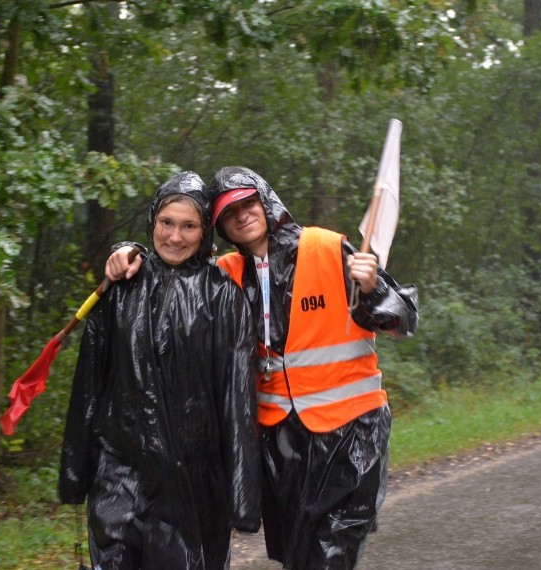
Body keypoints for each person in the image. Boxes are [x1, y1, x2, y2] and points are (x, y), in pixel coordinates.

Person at [109, 166, 418, 569]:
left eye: (247, 203)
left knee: (330, 556)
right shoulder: (225, 275)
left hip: (351, 436)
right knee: (296, 556)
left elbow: (402, 319)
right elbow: (172, 262)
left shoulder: (327, 248)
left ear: (266, 200)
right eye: (228, 214)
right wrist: (127, 250)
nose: (242, 216)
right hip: (279, 444)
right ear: (219, 227)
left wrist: (372, 287)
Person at [58, 171, 261, 570]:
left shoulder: (222, 296)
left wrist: (242, 495)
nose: (175, 237)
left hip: (192, 485)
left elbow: (237, 401)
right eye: (166, 223)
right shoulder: (119, 287)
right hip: (118, 473)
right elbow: (88, 385)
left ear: (205, 232)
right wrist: (74, 471)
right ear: (152, 221)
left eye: (189, 226)